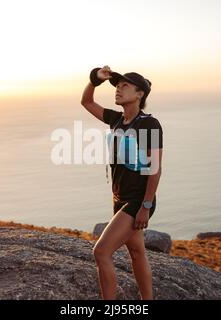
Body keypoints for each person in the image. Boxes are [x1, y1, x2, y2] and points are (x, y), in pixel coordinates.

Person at [81, 65, 163, 300]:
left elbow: (155, 169)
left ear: (140, 94)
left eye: (125, 85)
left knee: (101, 252)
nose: (118, 89)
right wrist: (95, 79)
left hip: (138, 200)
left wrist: (145, 206)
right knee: (137, 251)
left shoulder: (149, 123)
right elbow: (86, 102)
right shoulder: (117, 120)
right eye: (117, 85)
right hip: (119, 198)